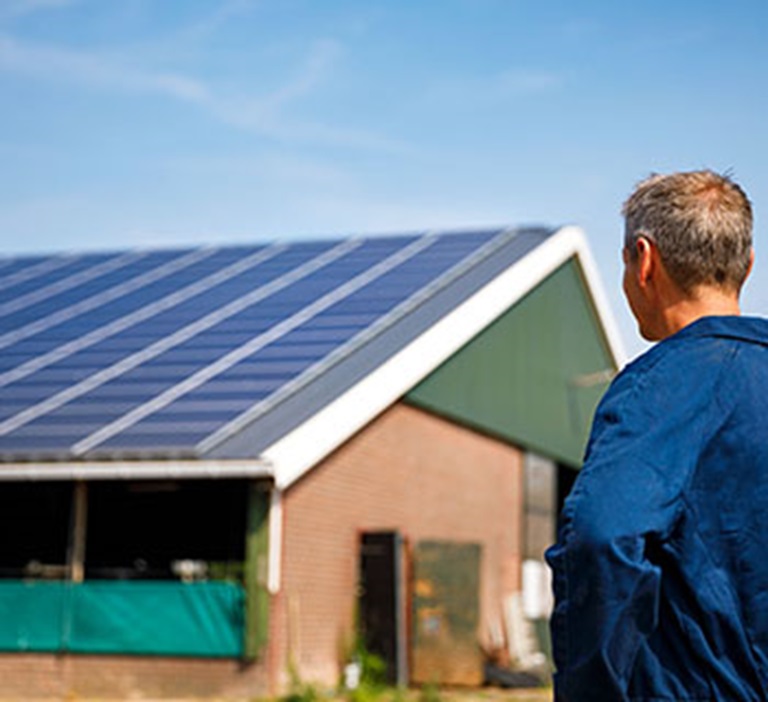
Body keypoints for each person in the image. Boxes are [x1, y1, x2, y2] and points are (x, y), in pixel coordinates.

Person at [545, 170, 768, 701]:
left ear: (643, 261)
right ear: (747, 266)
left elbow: (601, 538)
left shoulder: (659, 389)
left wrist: (590, 690)